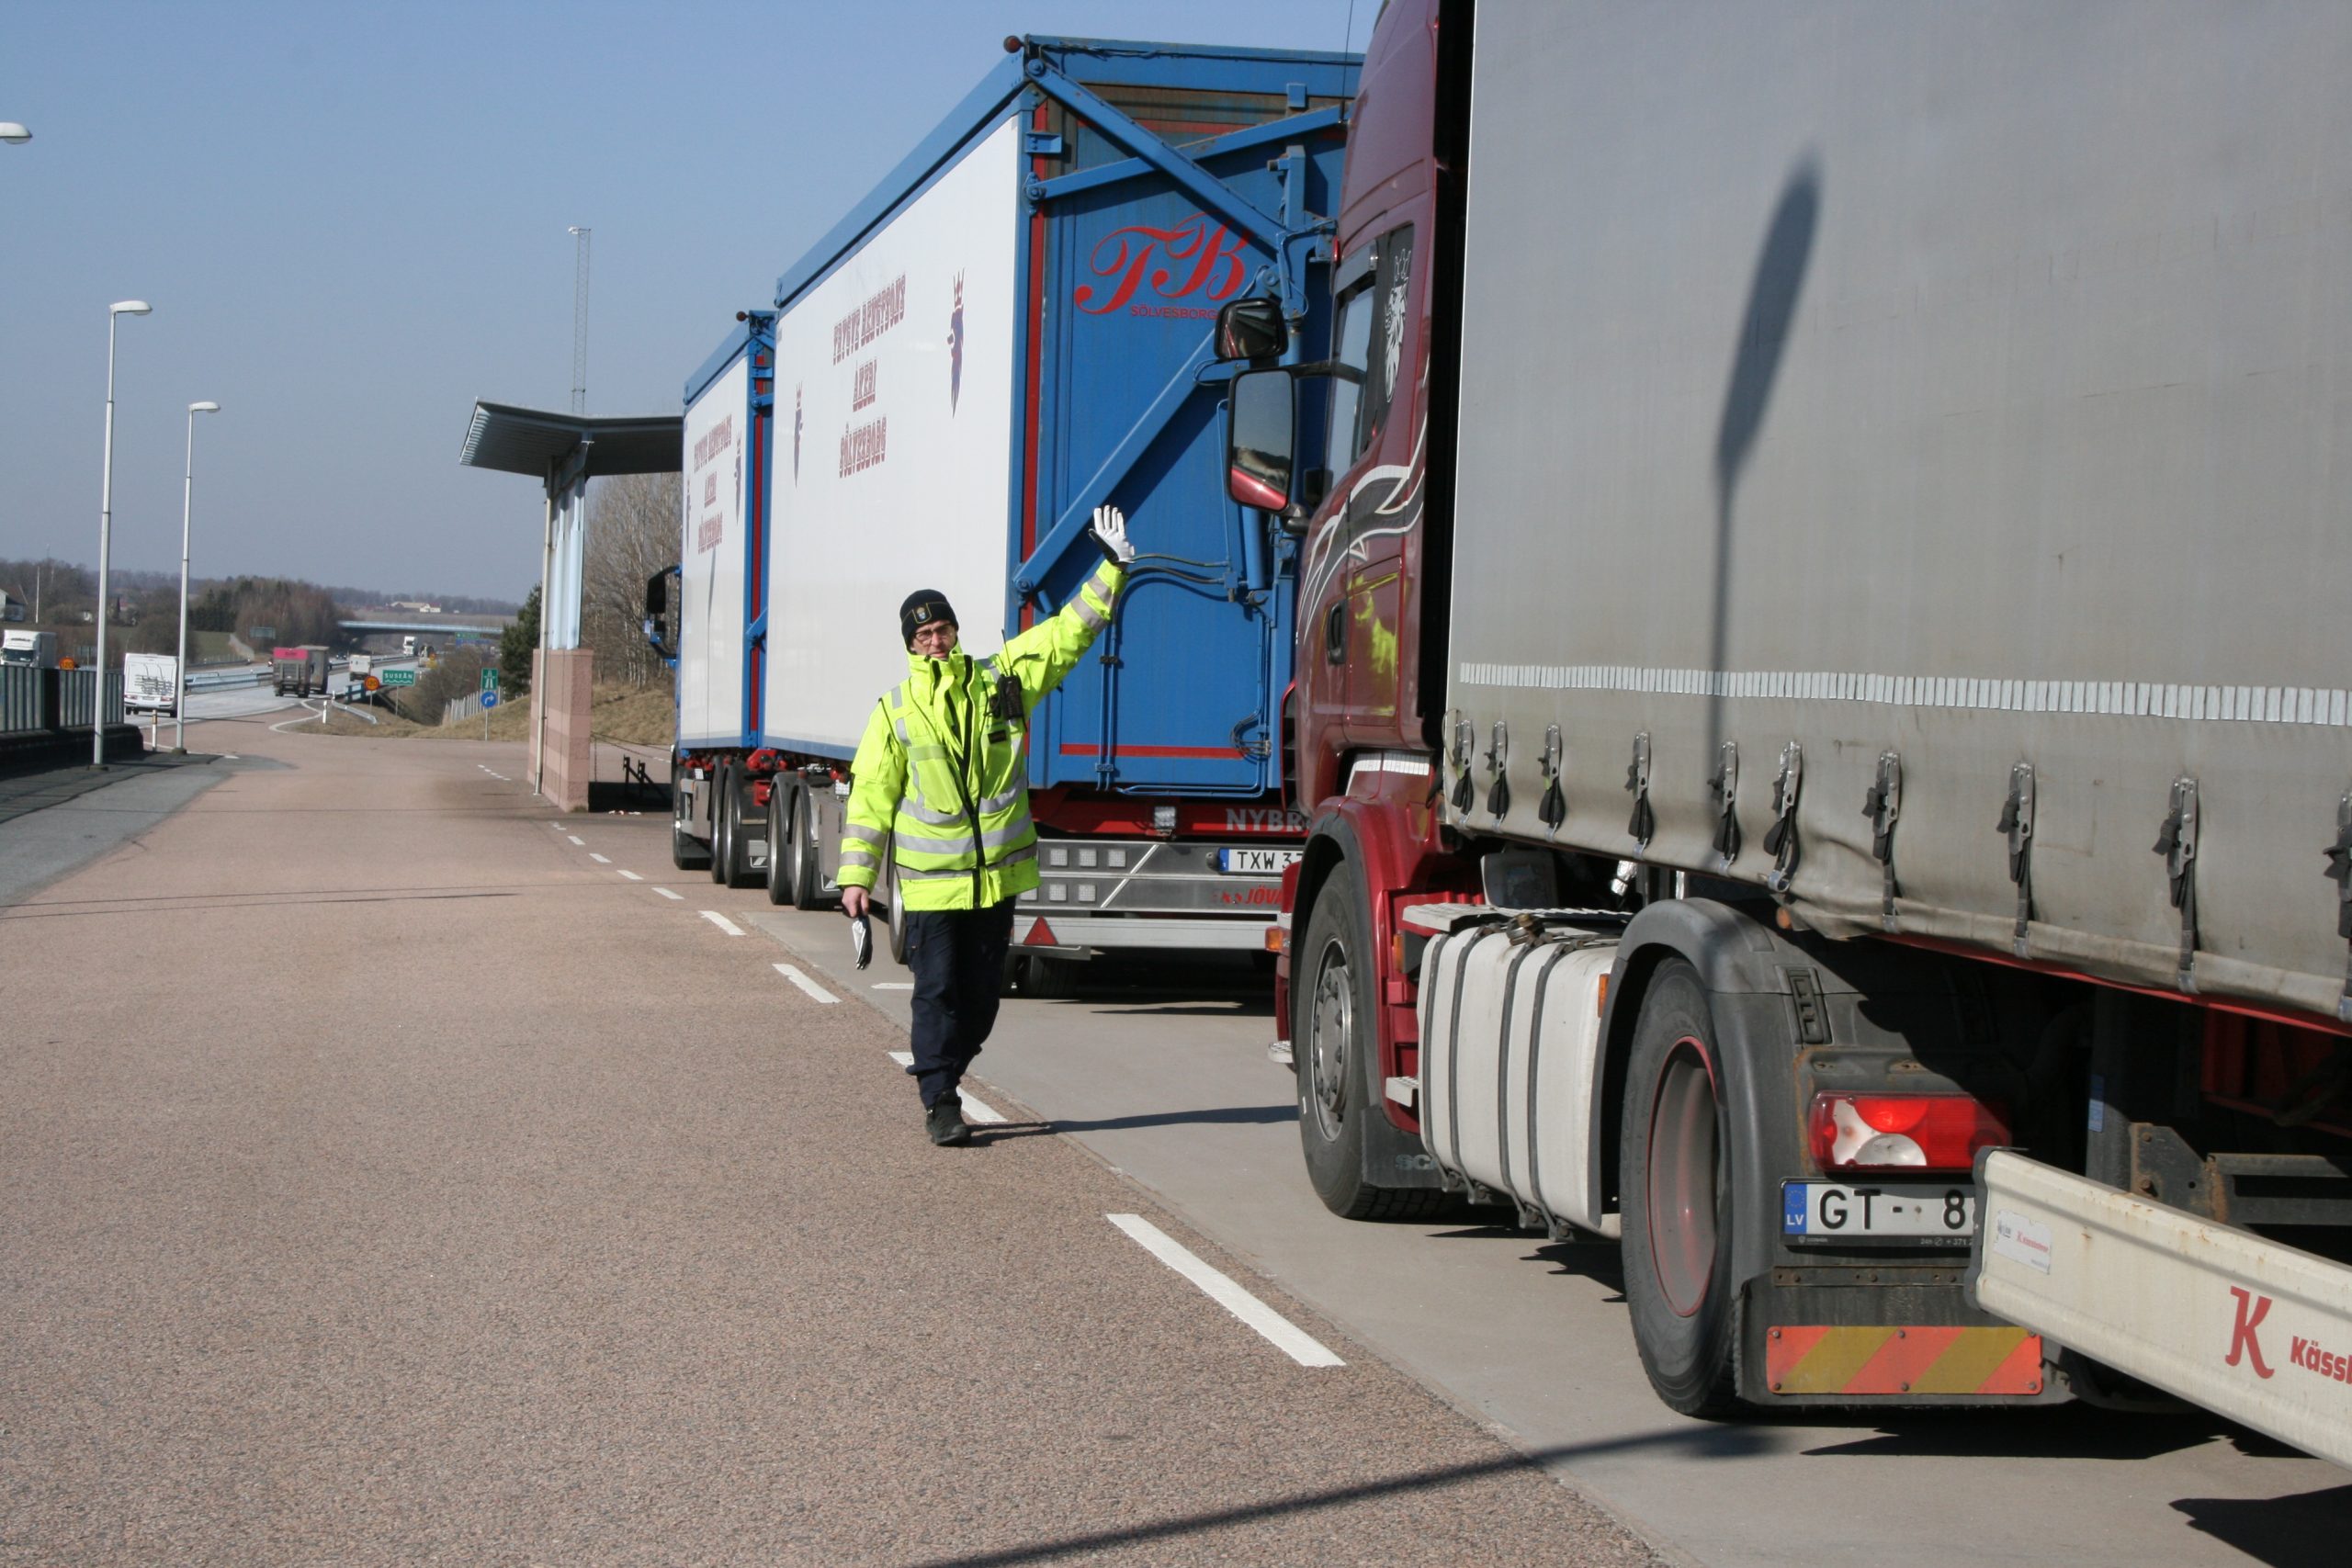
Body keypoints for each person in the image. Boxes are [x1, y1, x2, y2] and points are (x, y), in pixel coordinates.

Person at [838, 505, 1136, 1145]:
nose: (936, 642)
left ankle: (950, 1067)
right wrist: (856, 878)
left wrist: (1111, 568)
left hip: (995, 883)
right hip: (930, 887)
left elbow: (1065, 635)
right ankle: (941, 1099)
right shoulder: (894, 712)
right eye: (924, 636)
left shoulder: (997, 682)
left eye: (943, 629)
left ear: (954, 630)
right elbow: (870, 800)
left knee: (981, 1004)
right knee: (936, 991)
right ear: (910, 645)